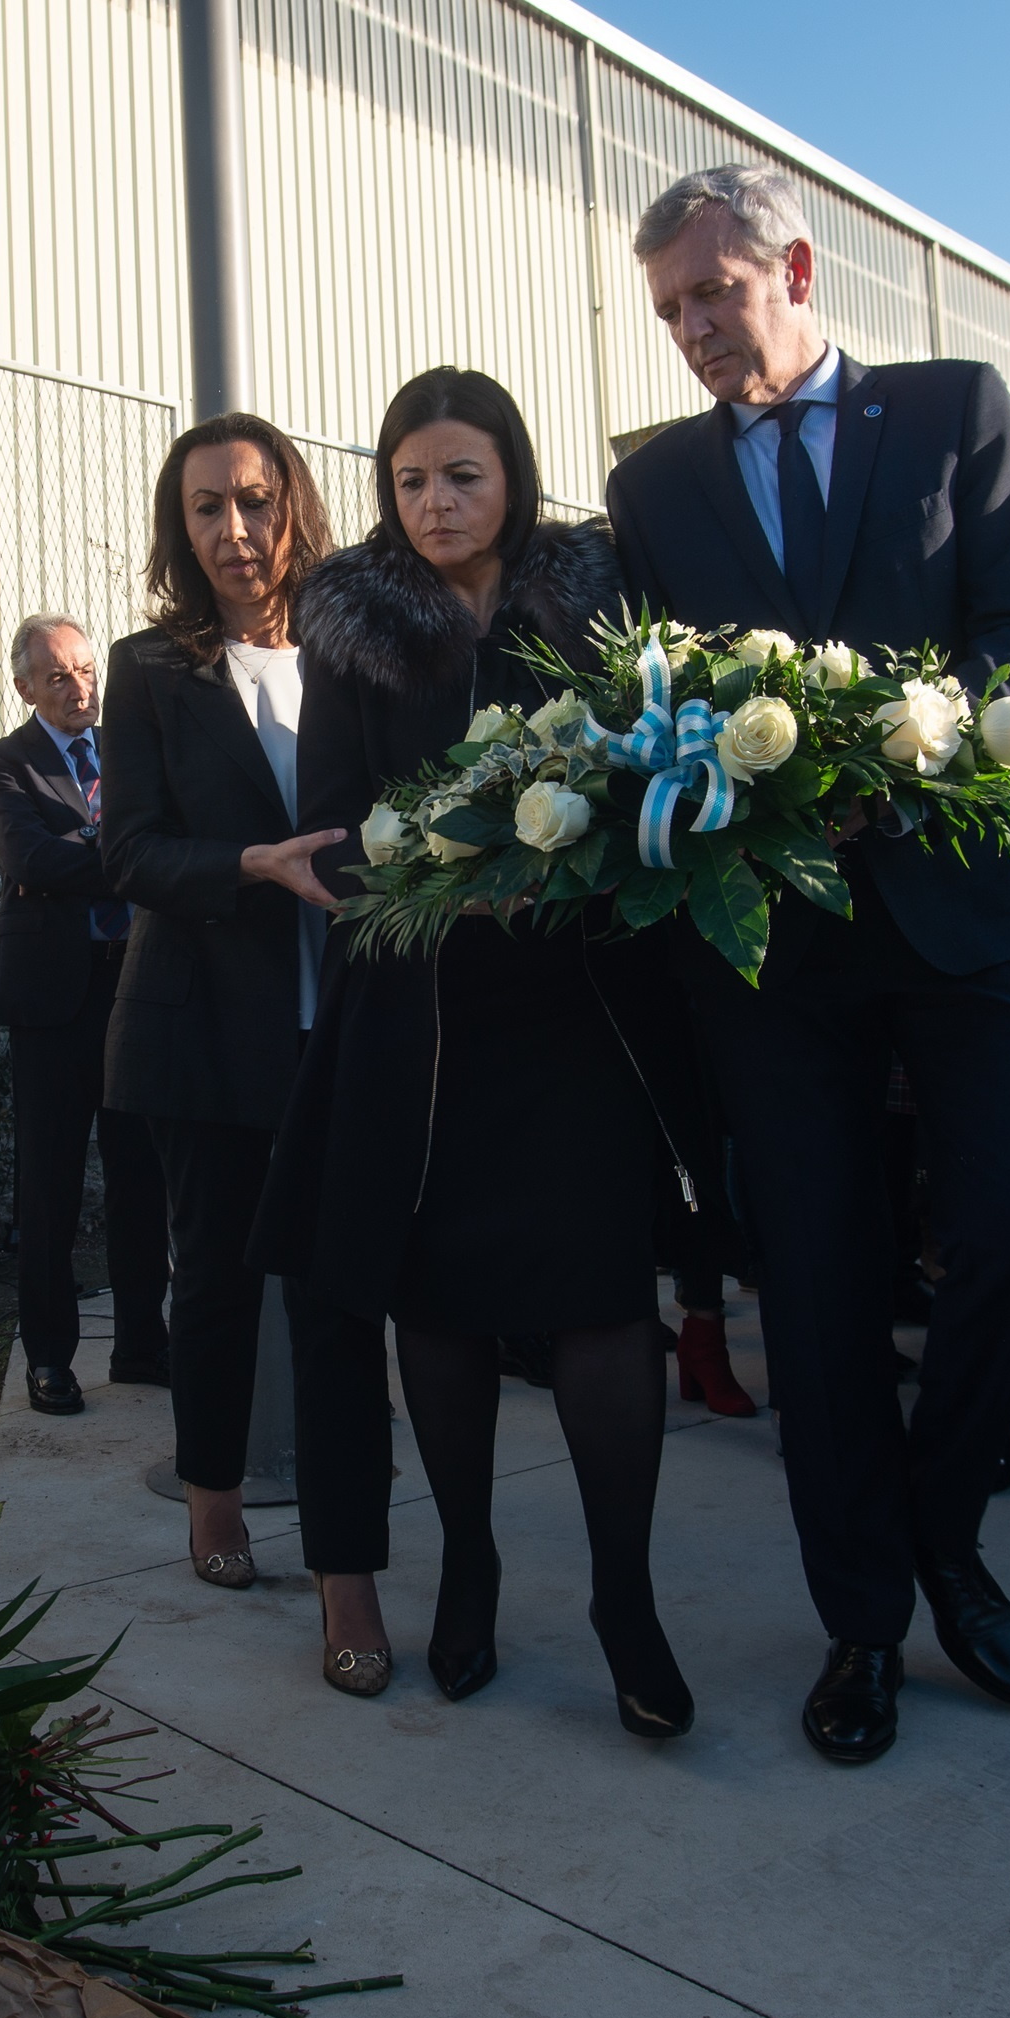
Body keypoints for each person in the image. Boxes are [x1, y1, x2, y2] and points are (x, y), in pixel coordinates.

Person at [603, 164, 1010, 1767]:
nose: (688, 331)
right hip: (776, 937)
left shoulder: (952, 411)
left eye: (710, 296)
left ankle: (945, 1530)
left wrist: (916, 742)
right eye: (668, 310)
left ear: (793, 266)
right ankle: (865, 1618)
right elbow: (658, 692)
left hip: (967, 899)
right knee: (813, 1288)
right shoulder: (656, 486)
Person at [249, 367, 690, 1730]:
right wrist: (438, 879)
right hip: (423, 1022)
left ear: (515, 476)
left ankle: (627, 1598)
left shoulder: (596, 604)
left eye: (463, 475)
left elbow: (653, 778)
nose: (436, 503)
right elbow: (327, 834)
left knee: (609, 1309)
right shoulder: (353, 633)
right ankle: (472, 1571)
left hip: (582, 1016)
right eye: (410, 481)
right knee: (434, 1310)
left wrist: (574, 873)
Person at [97, 418, 346, 1597]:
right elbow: (133, 853)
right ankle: (213, 1501)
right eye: (206, 508)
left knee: (345, 1283)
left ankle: (351, 1532)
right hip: (203, 1024)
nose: (234, 530)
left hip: (342, 1018)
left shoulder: (355, 650)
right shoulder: (151, 669)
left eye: (254, 500)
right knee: (217, 1280)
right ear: (178, 525)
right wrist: (253, 864)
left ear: (292, 503)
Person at [0, 615, 171, 1417]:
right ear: (24, 686)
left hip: (138, 985)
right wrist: (129, 860)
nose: (80, 687)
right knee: (50, 1185)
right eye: (58, 677)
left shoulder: (131, 751)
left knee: (141, 1178)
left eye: (87, 671)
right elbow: (30, 859)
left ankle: (141, 1344)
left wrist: (92, 857)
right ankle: (49, 1358)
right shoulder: (4, 764)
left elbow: (139, 843)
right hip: (54, 999)